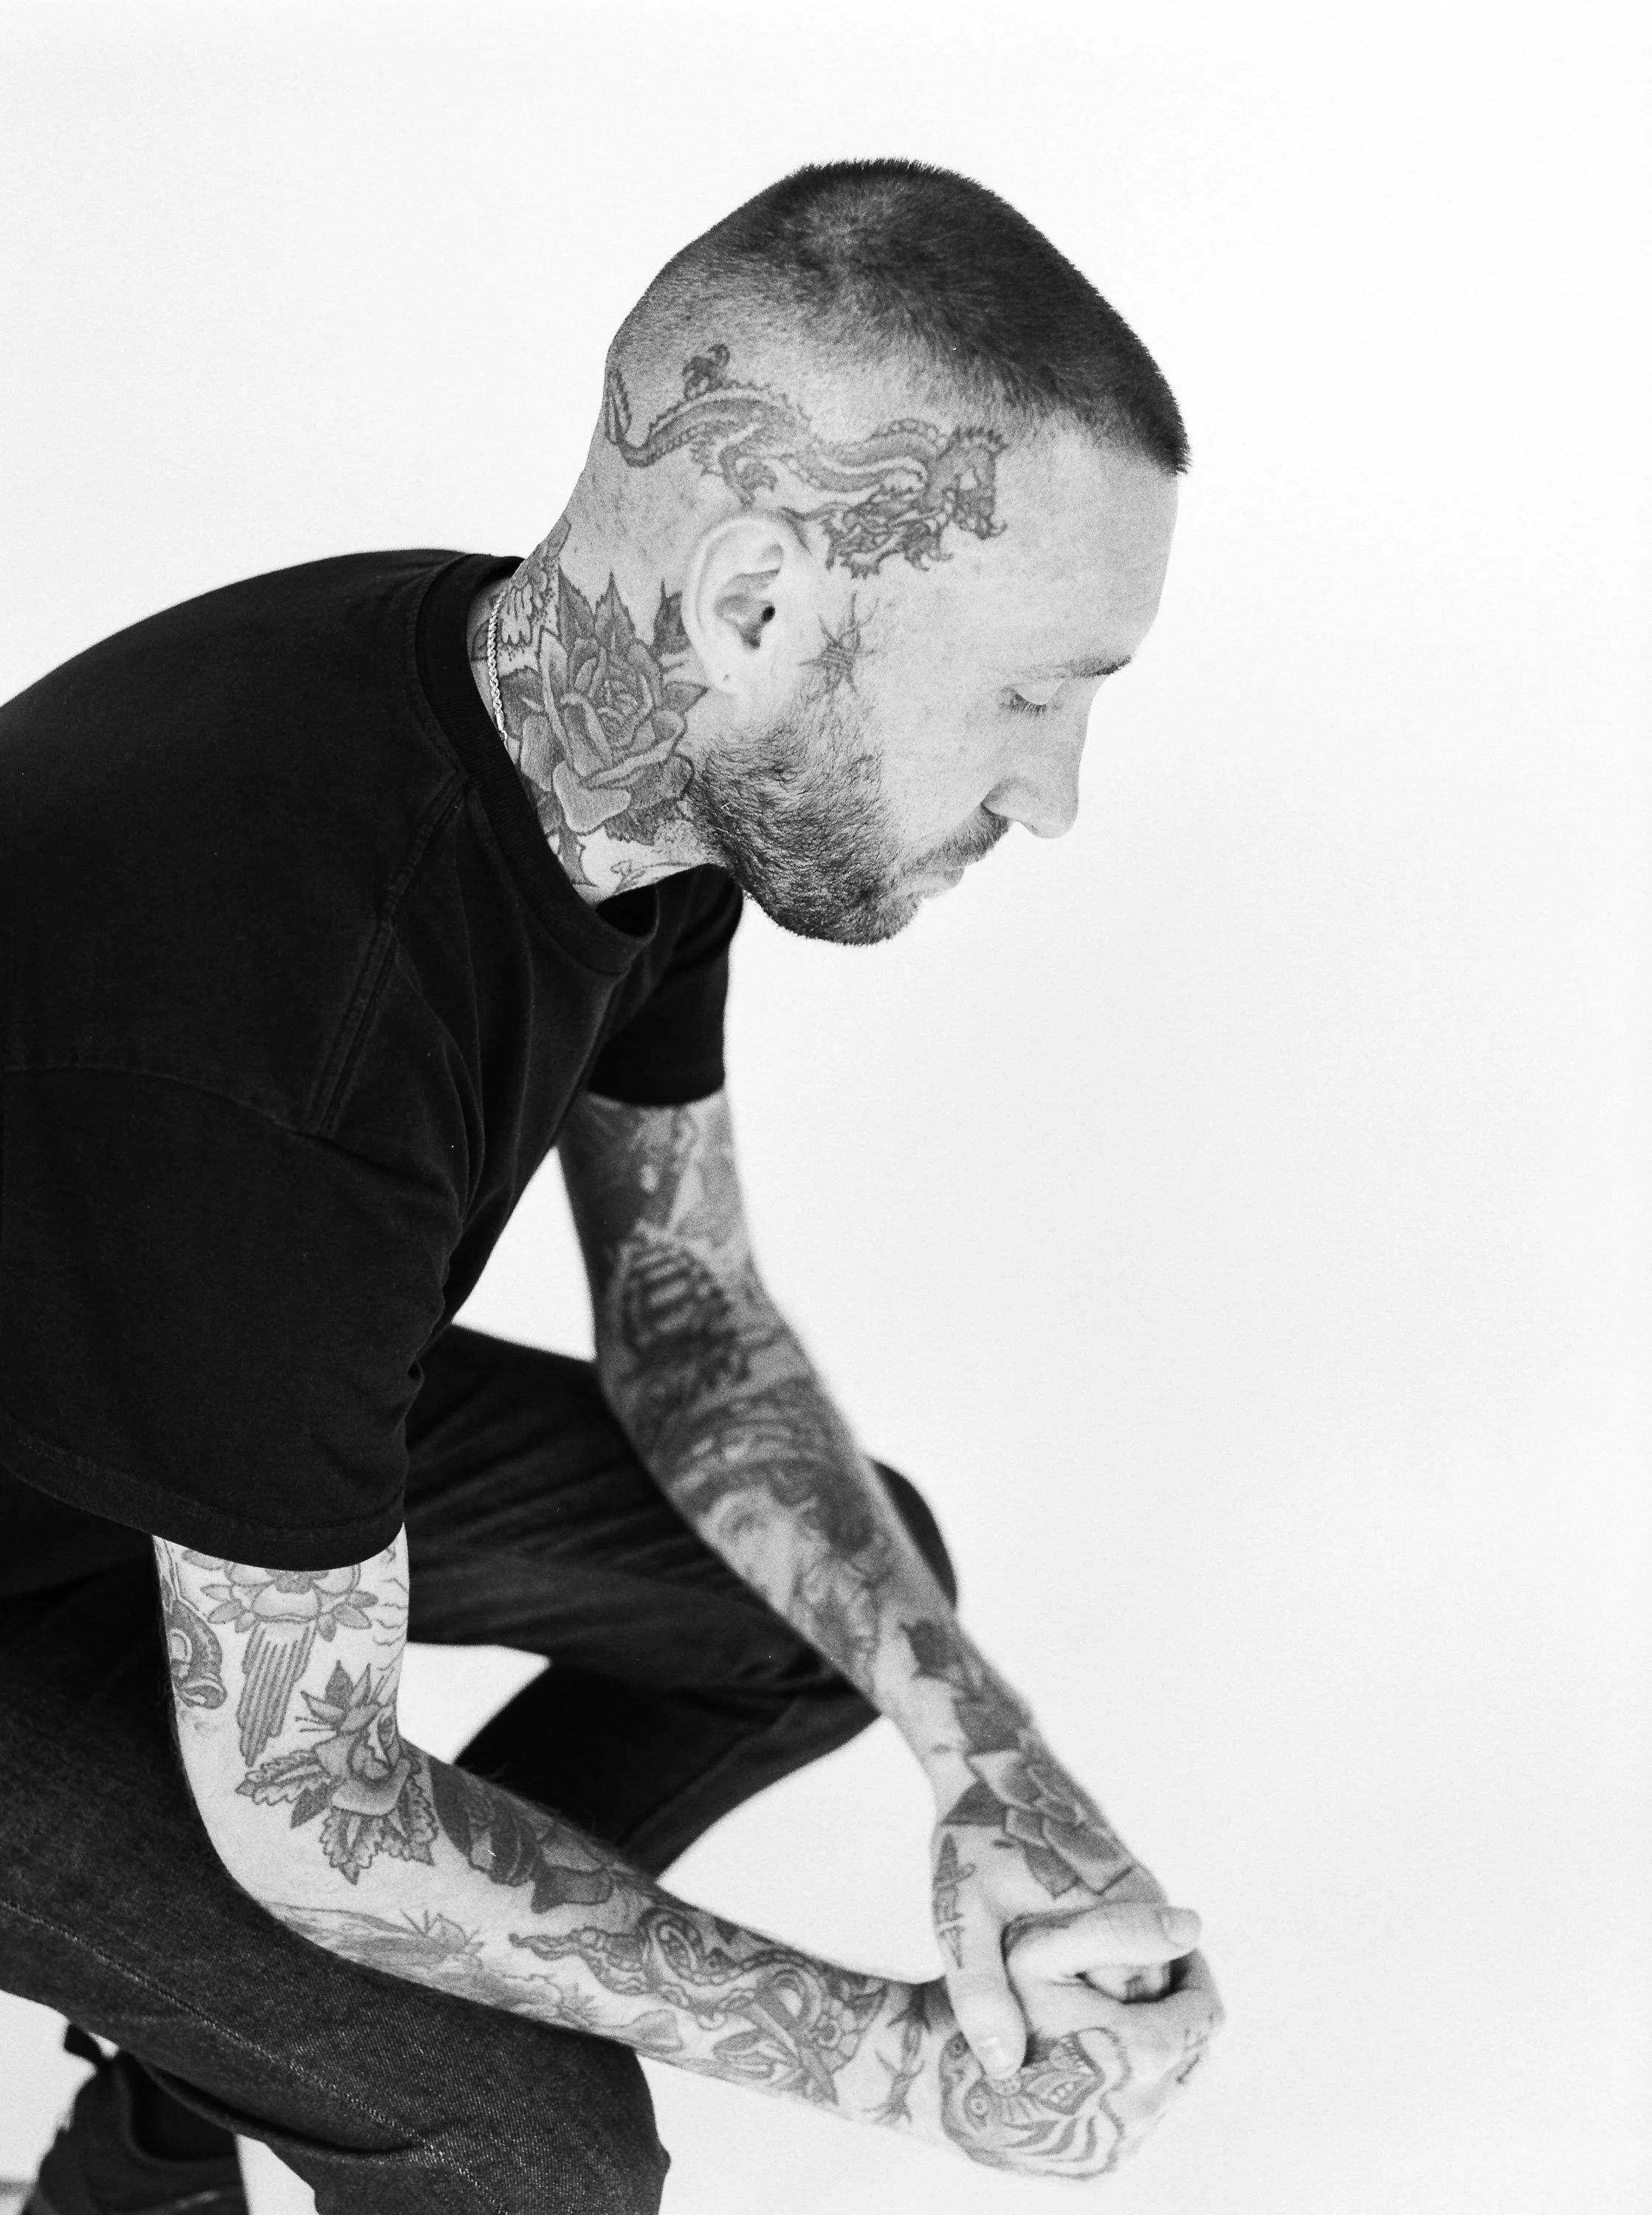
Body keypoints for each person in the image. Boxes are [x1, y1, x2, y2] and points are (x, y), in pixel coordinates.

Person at [0, 159, 1223, 2214]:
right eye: (1029, 693)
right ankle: (242, 2054)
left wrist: (1000, 1781)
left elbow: (693, 1332)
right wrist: (909, 2064)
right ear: (754, 605)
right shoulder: (293, 1009)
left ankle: (162, 2120)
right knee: (526, 2142)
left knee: (825, 1595)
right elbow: (312, 1805)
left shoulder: (613, 774)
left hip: (149, 1434)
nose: (1052, 796)